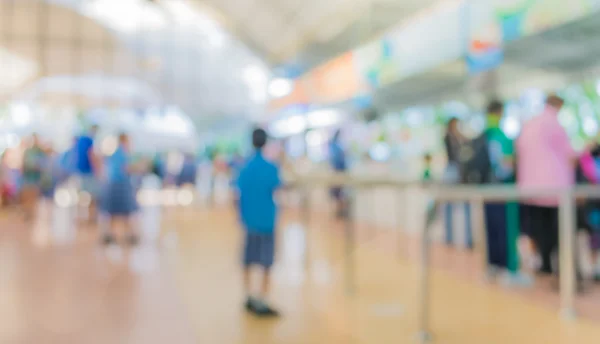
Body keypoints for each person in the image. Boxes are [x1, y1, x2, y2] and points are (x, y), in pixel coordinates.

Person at [517, 95, 590, 276]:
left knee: (538, 228)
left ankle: (545, 265)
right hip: (554, 189)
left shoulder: (530, 124)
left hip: (531, 189)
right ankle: (556, 268)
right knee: (555, 230)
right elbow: (569, 154)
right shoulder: (554, 125)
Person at [236, 128, 281, 317]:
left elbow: (237, 194)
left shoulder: (245, 168)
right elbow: (277, 188)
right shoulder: (271, 168)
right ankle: (262, 298)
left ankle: (248, 295)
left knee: (248, 259)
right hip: (266, 221)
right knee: (266, 262)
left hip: (249, 220)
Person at [100, 133, 140, 245]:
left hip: (112, 184)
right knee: (126, 211)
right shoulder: (123, 153)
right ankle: (130, 235)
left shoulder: (115, 152)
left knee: (113, 211)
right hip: (121, 184)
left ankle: (110, 234)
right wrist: (139, 167)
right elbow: (126, 168)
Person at [442, 118, 472, 248]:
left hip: (458, 173)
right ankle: (449, 238)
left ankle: (467, 239)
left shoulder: (457, 138)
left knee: (464, 205)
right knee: (449, 205)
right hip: (453, 172)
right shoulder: (449, 137)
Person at [74, 124, 99, 223]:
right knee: (93, 195)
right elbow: (92, 155)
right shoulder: (89, 141)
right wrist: (97, 170)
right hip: (88, 171)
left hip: (79, 171)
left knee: (81, 195)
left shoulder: (80, 140)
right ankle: (91, 217)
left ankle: (80, 216)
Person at [21, 134, 46, 221]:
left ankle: (32, 212)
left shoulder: (40, 152)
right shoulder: (28, 151)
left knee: (34, 194)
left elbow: (43, 165)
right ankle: (27, 211)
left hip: (36, 177)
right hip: (27, 176)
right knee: (27, 194)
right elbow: (23, 163)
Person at [328, 129, 348, 219]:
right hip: (338, 174)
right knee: (338, 195)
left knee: (339, 195)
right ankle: (339, 212)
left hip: (338, 174)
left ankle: (339, 212)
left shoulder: (335, 146)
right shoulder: (336, 147)